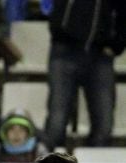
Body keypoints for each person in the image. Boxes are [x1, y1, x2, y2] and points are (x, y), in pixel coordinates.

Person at [43, 0, 126, 149]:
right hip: (64, 51)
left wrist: (117, 44)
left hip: (100, 56)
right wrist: (59, 30)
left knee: (104, 125)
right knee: (56, 124)